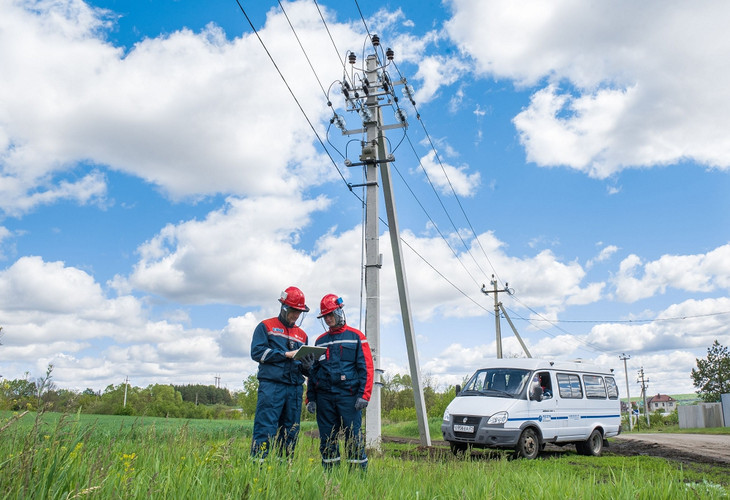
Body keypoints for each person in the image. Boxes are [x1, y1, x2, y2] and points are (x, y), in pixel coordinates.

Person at [306, 294, 374, 471]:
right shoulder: (320, 341)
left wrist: (364, 395)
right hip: (324, 398)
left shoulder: (357, 336)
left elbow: (366, 368)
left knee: (353, 437)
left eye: (330, 315)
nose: (328, 319)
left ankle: (357, 478)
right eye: (325, 316)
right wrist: (310, 398)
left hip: (349, 397)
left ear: (339, 312)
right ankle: (330, 477)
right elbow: (314, 371)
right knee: (327, 438)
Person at [250, 286, 315, 461]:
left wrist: (308, 367)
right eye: (294, 311)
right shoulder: (266, 326)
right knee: (266, 427)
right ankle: (258, 466)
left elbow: (302, 365)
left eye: (299, 312)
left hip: (294, 389)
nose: (296, 315)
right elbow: (257, 352)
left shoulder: (302, 335)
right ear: (284, 307)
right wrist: (284, 355)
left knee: (291, 430)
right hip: (272, 386)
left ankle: (285, 467)